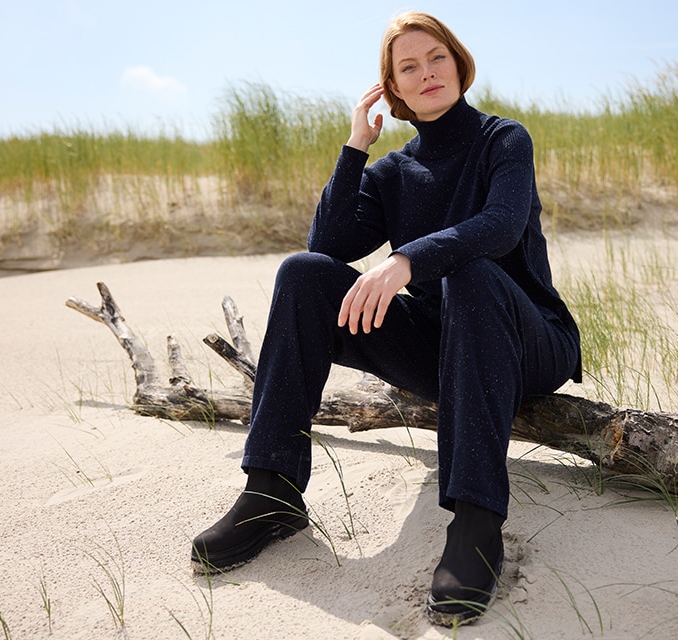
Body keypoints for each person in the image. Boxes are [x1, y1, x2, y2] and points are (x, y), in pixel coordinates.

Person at [191, 11, 581, 627]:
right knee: (301, 273)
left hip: (528, 337)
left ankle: (477, 523)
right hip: (441, 350)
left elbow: (501, 227)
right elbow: (328, 243)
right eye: (408, 67)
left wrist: (404, 261)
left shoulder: (504, 140)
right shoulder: (395, 171)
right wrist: (355, 148)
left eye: (437, 58)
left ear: (458, 63)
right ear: (392, 89)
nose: (426, 73)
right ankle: (273, 492)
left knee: (472, 272)